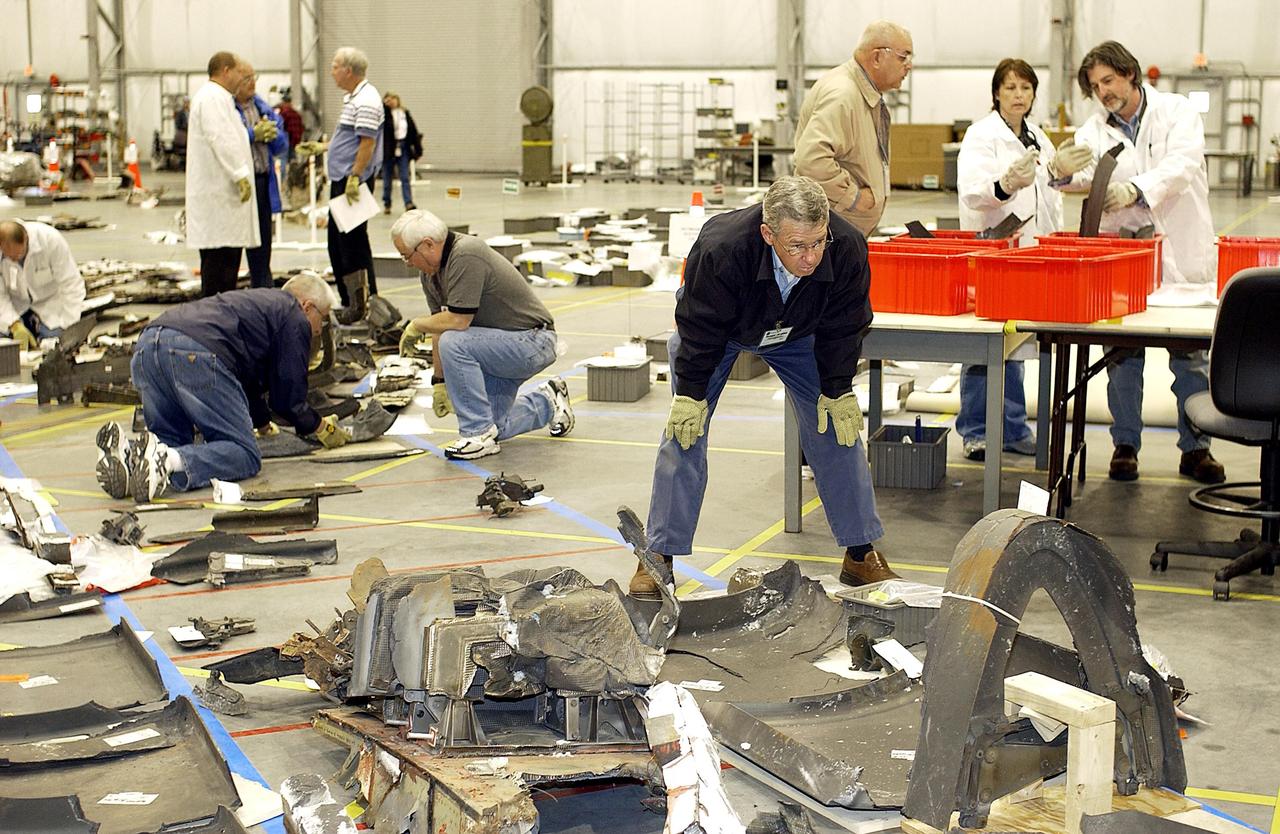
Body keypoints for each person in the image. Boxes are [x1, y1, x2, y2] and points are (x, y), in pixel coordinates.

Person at [634, 176, 894, 599]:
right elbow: (698, 325)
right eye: (796, 246)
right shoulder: (723, 246)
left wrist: (837, 385)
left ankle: (860, 552)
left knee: (837, 428)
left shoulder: (846, 247)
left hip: (797, 334)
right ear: (767, 234)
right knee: (685, 432)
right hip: (720, 335)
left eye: (817, 243)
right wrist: (692, 393)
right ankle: (659, 556)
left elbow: (845, 324)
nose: (810, 258)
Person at [1056, 40, 1223, 485]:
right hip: (1125, 260)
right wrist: (1060, 170)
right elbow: (1083, 176)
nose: (1103, 92)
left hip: (1178, 253)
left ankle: (1196, 448)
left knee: (1189, 357)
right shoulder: (1095, 129)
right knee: (1122, 355)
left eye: (1108, 80)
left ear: (1130, 73)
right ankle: (1125, 444)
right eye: (1095, 86)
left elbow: (1182, 164)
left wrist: (1136, 189)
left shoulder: (1176, 111)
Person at [95, 273, 351, 503]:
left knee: (170, 442)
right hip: (195, 353)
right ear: (308, 306)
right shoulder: (294, 316)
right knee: (245, 455)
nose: (320, 328)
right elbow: (287, 395)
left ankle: (129, 459)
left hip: (148, 346)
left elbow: (247, 381)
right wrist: (319, 426)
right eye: (323, 317)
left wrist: (262, 424)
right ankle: (167, 460)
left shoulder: (254, 305)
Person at [954, 59, 1092, 461]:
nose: (1018, 95)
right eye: (1010, 87)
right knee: (987, 343)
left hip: (1030, 253)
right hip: (994, 250)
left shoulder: (1036, 136)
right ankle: (977, 430)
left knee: (1016, 342)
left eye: (1026, 88)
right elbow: (973, 191)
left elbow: (1047, 187)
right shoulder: (982, 135)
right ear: (996, 93)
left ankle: (1012, 427)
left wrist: (1058, 172)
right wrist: (1005, 183)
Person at [391, 209, 574, 460]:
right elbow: (439, 325)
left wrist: (416, 325)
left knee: (455, 342)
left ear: (427, 245)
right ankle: (548, 401)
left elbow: (458, 320)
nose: (408, 263)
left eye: (406, 256)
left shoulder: (466, 254)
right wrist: (439, 382)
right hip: (498, 347)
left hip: (532, 342)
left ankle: (477, 435)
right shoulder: (431, 275)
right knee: (499, 425)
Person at [794, 20, 913, 237]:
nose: (909, 65)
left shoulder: (863, 95)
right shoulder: (843, 95)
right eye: (903, 56)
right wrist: (854, 196)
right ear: (877, 57)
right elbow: (811, 160)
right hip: (831, 236)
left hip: (844, 232)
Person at [186, 51, 257, 297]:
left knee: (226, 271)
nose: (243, 78)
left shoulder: (220, 98)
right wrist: (239, 174)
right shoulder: (212, 98)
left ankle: (220, 321)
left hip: (223, 205)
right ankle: (215, 325)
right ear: (226, 70)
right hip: (219, 202)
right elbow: (221, 139)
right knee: (219, 274)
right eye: (240, 72)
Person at [327, 47, 384, 307]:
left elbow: (367, 144)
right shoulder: (353, 97)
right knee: (338, 243)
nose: (332, 71)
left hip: (352, 181)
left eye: (335, 66)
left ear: (348, 71)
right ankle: (352, 300)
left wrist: (355, 176)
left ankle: (361, 302)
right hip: (344, 177)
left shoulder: (367, 100)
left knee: (351, 244)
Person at [234, 61, 288, 289]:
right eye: (246, 79)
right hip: (240, 184)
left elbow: (282, 146)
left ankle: (263, 289)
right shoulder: (228, 109)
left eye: (254, 77)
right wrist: (251, 134)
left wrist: (273, 133)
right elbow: (227, 143)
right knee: (237, 242)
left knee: (263, 243)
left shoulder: (262, 108)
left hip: (264, 181)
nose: (252, 83)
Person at [0, 219, 85, 348]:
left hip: (49, 306)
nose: (14, 260)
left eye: (18, 255)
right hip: (15, 305)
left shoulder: (50, 240)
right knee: (6, 347)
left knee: (55, 345)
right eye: (9, 257)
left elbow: (71, 284)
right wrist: (13, 323)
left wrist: (69, 326)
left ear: (26, 238)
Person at [381, 93, 422, 214]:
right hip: (388, 149)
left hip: (403, 147)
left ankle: (408, 202)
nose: (392, 101)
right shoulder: (384, 114)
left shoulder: (405, 113)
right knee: (387, 178)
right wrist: (384, 106)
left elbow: (413, 131)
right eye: (389, 99)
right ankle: (387, 202)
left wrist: (418, 149)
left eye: (394, 98)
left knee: (404, 176)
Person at [276, 93, 304, 161]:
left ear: (284, 102)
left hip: (286, 138)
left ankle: (284, 171)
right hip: (295, 139)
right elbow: (301, 127)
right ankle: (294, 169)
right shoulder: (296, 113)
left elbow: (279, 126)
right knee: (293, 158)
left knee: (283, 158)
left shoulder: (283, 113)